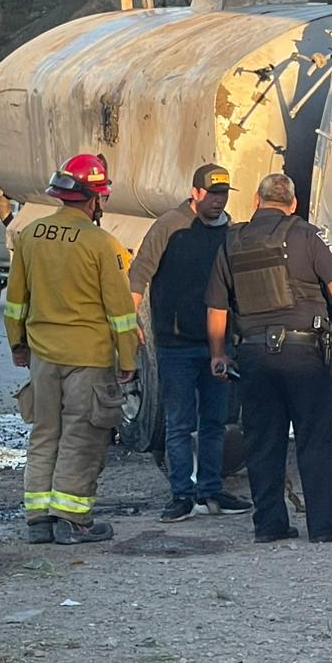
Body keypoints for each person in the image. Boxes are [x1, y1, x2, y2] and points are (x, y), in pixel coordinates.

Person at [205, 173, 332, 544]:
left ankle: (270, 525)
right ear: (293, 203)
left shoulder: (231, 242)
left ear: (255, 200)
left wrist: (218, 353)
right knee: (313, 438)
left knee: (264, 440)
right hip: (303, 353)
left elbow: (217, 307)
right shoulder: (305, 234)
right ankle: (326, 524)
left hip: (253, 354)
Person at [3, 153, 140, 545]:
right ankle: (72, 520)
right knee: (82, 436)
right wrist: (127, 360)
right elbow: (120, 313)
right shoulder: (104, 245)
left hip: (43, 357)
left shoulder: (31, 236)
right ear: (95, 199)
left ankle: (38, 519)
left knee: (45, 433)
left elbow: (16, 303)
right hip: (88, 359)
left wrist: (18, 344)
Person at [129, 163, 253, 523]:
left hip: (218, 345)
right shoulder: (169, 225)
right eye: (212, 194)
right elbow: (140, 272)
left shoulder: (229, 231)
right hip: (176, 344)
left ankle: (211, 492)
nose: (218, 201)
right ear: (195, 193)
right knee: (179, 423)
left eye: (223, 195)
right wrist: (127, 323)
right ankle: (181, 495)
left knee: (215, 422)